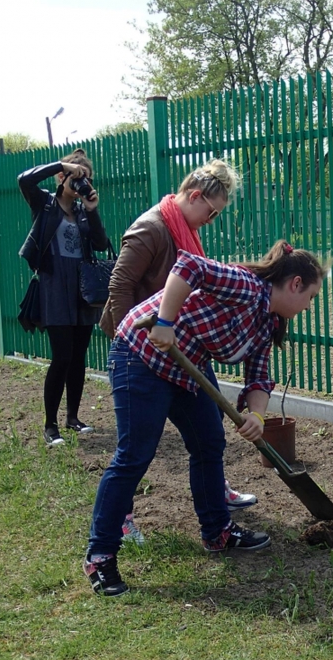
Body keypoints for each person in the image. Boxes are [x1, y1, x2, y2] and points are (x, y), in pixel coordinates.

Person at [84, 241, 327, 596]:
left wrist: (257, 416)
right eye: (310, 297)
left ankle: (217, 532)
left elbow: (258, 377)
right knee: (135, 453)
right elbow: (188, 267)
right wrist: (165, 321)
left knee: (209, 442)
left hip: (186, 367)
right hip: (141, 354)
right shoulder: (244, 286)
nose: (308, 306)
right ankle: (100, 554)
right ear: (294, 284)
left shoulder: (265, 323)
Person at [98, 159, 253, 545]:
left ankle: (215, 501)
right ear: (195, 196)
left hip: (180, 346)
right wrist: (130, 342)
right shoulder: (150, 229)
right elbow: (120, 285)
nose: (211, 221)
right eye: (211, 212)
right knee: (135, 449)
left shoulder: (183, 228)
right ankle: (120, 519)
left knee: (208, 432)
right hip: (142, 347)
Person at [19, 148, 110, 447]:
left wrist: (93, 209)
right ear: (63, 176)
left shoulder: (84, 212)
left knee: (79, 357)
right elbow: (25, 180)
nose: (82, 184)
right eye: (76, 177)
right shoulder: (44, 203)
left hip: (82, 289)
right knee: (61, 357)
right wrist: (61, 163)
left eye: (86, 179)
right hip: (54, 286)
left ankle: (73, 417)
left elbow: (99, 243)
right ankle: (50, 425)